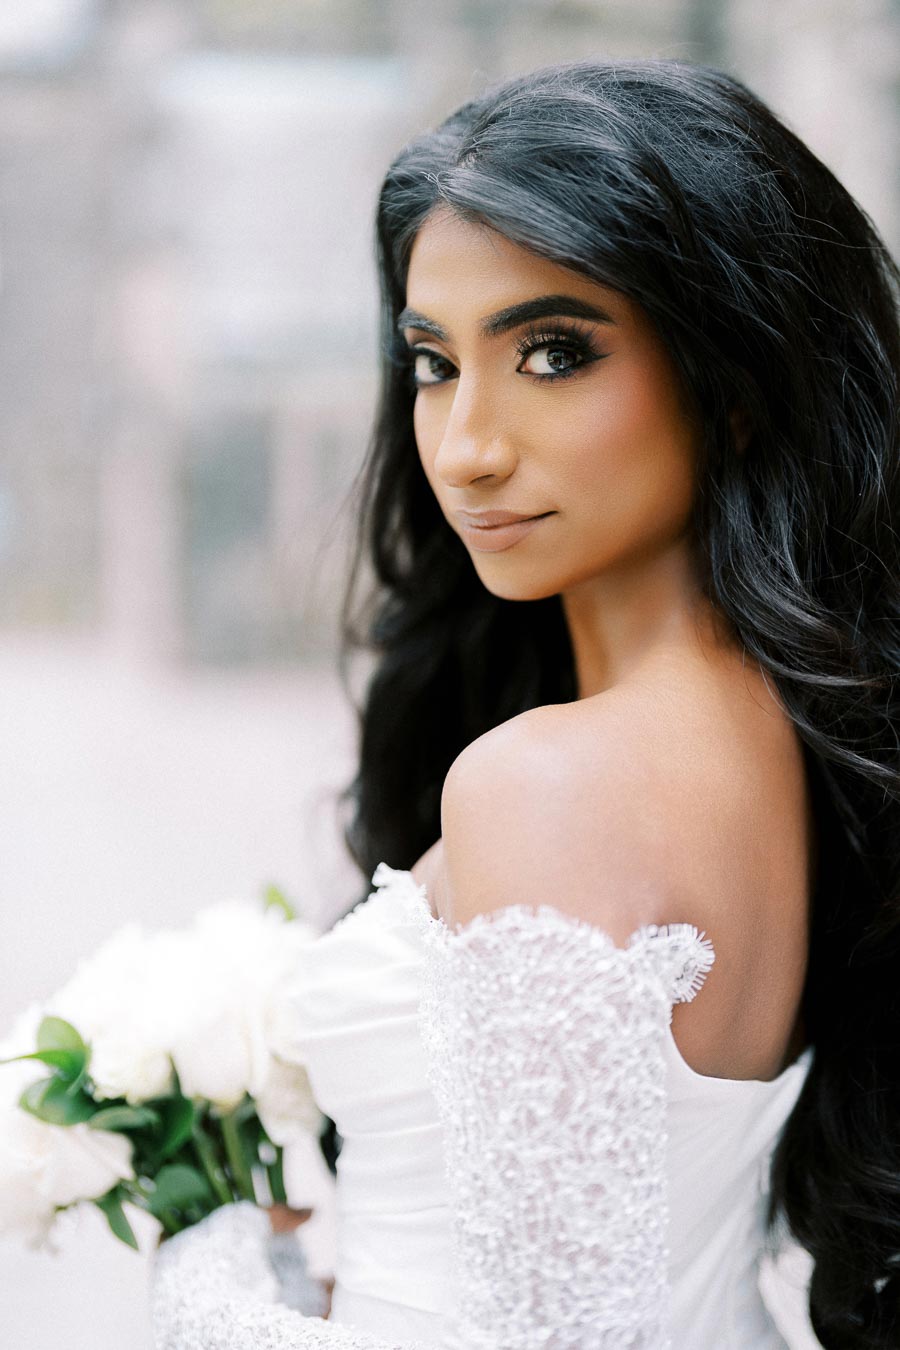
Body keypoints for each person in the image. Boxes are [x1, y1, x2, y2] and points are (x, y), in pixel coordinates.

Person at [150, 56, 900, 1349]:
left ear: (733, 383)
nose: (467, 447)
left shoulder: (551, 785)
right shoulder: (777, 738)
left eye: (553, 353)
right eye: (434, 363)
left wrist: (207, 1277)